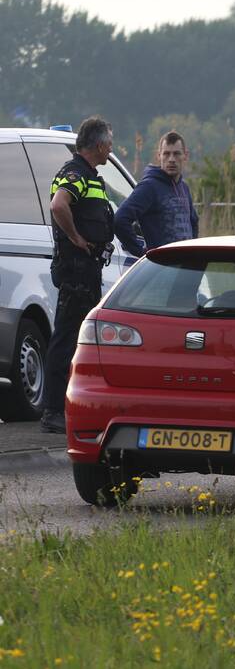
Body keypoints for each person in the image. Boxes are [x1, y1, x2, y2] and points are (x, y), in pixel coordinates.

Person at [39, 117, 116, 433]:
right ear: (99, 145)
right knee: (67, 337)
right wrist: (75, 238)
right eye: (109, 144)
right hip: (76, 271)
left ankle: (73, 406)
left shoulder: (89, 175)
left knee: (81, 340)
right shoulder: (75, 174)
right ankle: (53, 410)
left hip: (87, 272)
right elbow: (60, 205)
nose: (111, 150)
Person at [113, 131, 198, 259]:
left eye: (176, 154)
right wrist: (142, 253)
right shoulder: (149, 187)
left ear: (185, 155)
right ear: (159, 156)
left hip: (185, 268)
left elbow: (194, 221)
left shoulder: (184, 187)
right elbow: (120, 220)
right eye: (166, 154)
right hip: (161, 268)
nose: (171, 159)